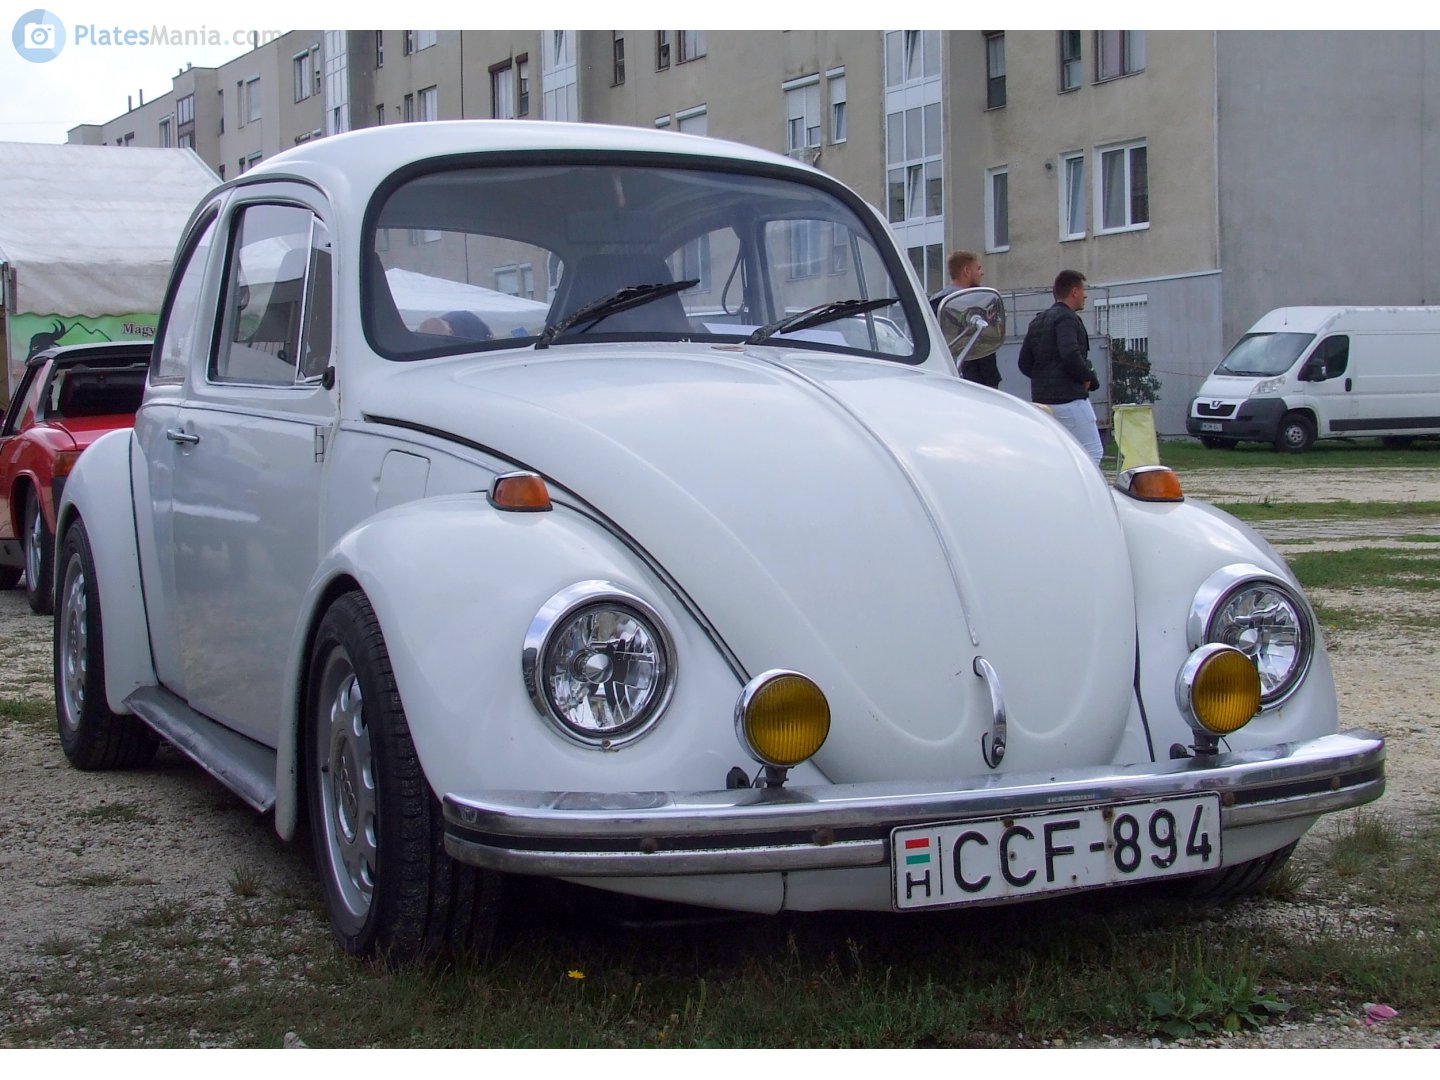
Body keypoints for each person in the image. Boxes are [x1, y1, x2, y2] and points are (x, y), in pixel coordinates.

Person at [1018, 270, 1103, 467]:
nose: (1085, 295)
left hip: (1042, 403)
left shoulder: (1038, 321)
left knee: (1058, 458)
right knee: (1092, 452)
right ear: (1074, 292)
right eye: (1083, 290)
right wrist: (1089, 378)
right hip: (1070, 400)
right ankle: (1084, 488)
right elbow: (1070, 354)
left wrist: (1044, 378)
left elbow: (1024, 363)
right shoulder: (1068, 319)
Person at [930, 250, 1001, 388]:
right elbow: (983, 346)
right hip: (976, 381)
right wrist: (992, 381)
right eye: (978, 268)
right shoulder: (974, 304)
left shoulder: (934, 302)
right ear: (967, 271)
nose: (982, 273)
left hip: (943, 378)